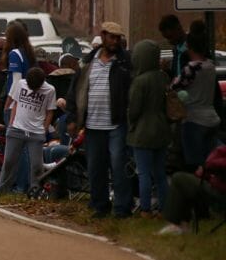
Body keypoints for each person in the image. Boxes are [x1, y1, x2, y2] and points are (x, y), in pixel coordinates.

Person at [72, 21, 133, 217]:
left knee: (118, 165)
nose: (115, 41)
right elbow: (75, 90)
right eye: (112, 37)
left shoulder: (124, 62)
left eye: (118, 38)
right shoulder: (88, 61)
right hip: (92, 124)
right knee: (95, 167)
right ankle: (99, 205)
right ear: (103, 36)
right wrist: (73, 117)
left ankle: (122, 207)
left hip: (116, 123)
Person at [0, 67, 56, 198]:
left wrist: (44, 129)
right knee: (9, 161)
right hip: (17, 128)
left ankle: (35, 191)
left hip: (36, 131)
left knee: (36, 164)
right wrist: (11, 124)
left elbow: (50, 111)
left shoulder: (50, 90)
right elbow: (15, 103)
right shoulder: (21, 84)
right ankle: (0, 189)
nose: (33, 90)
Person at [127, 38, 171, 216]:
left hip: (143, 131)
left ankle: (145, 209)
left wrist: (130, 123)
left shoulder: (139, 81)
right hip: (161, 129)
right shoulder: (163, 77)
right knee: (160, 173)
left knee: (144, 173)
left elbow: (134, 109)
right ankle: (164, 208)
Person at [172, 19, 221, 170]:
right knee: (210, 162)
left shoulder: (191, 69)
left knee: (195, 164)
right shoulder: (210, 66)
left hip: (194, 118)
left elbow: (175, 87)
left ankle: (197, 191)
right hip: (211, 117)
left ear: (190, 46)